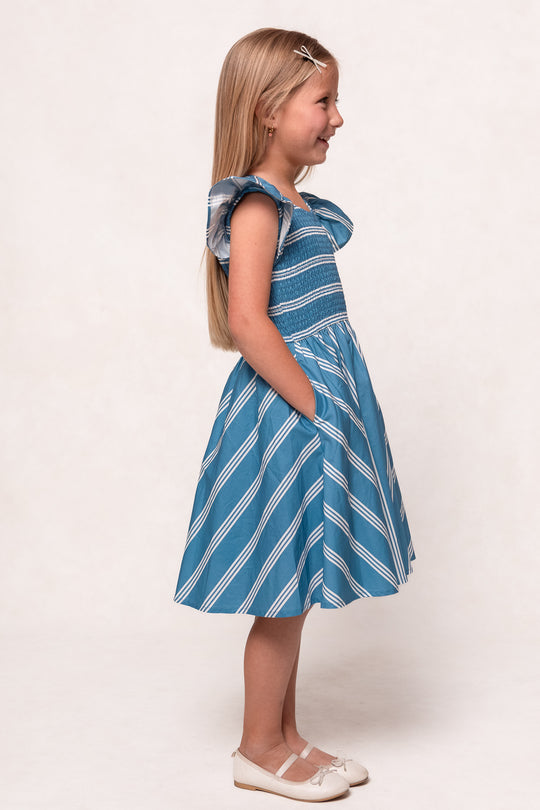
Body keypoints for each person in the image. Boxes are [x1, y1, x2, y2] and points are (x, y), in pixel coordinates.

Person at [174, 27, 415, 802]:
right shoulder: (254, 207)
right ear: (271, 110)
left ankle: (284, 737)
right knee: (282, 590)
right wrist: (318, 408)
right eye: (324, 101)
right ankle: (255, 749)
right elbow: (250, 322)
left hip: (313, 406)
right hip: (287, 415)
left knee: (300, 584)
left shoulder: (294, 204)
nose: (337, 118)